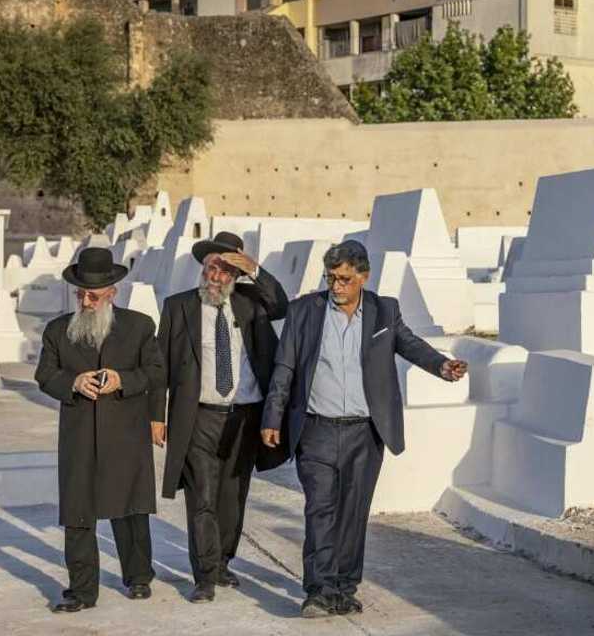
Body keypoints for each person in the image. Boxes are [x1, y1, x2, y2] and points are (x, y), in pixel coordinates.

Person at [260, 240, 468, 617]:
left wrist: (441, 366)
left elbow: (410, 345)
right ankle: (319, 590)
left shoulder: (383, 310)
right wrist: (272, 417)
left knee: (354, 512)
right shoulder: (305, 310)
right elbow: (285, 366)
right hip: (316, 430)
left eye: (344, 279)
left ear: (363, 276)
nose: (336, 286)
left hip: (365, 433)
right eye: (331, 278)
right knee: (320, 510)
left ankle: (344, 586)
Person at [151, 231, 289, 602]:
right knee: (202, 497)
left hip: (244, 417)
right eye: (213, 266)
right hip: (198, 417)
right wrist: (156, 415)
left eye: (227, 269)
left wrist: (255, 270)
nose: (217, 275)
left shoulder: (250, 304)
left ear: (236, 275)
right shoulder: (178, 306)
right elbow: (160, 363)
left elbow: (281, 306)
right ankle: (204, 576)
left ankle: (223, 561)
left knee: (233, 496)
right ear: (203, 267)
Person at [35, 246, 163, 613]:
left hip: (125, 434)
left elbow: (155, 374)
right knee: (78, 514)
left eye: (93, 295)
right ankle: (81, 590)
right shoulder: (58, 330)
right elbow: (45, 374)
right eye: (81, 294)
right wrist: (73, 383)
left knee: (130, 510)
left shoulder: (140, 327)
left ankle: (138, 577)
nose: (86, 301)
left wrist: (123, 379)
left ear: (112, 293)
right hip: (78, 437)